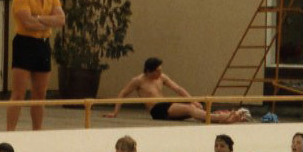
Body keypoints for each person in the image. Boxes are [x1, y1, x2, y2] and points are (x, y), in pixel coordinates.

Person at [6, 0, 65, 131]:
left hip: (43, 45)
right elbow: (27, 22)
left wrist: (38, 18)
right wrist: (47, 21)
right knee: (19, 93)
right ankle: (10, 132)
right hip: (24, 43)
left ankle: (37, 132)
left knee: (40, 95)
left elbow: (61, 20)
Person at [103, 58, 250, 123]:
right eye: (157, 71)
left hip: (166, 105)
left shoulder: (161, 77)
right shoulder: (138, 81)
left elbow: (178, 89)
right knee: (189, 109)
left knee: (192, 107)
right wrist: (115, 112)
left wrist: (194, 100)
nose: (160, 73)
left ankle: (226, 120)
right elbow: (123, 93)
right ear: (149, 71)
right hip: (156, 110)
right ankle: (222, 118)